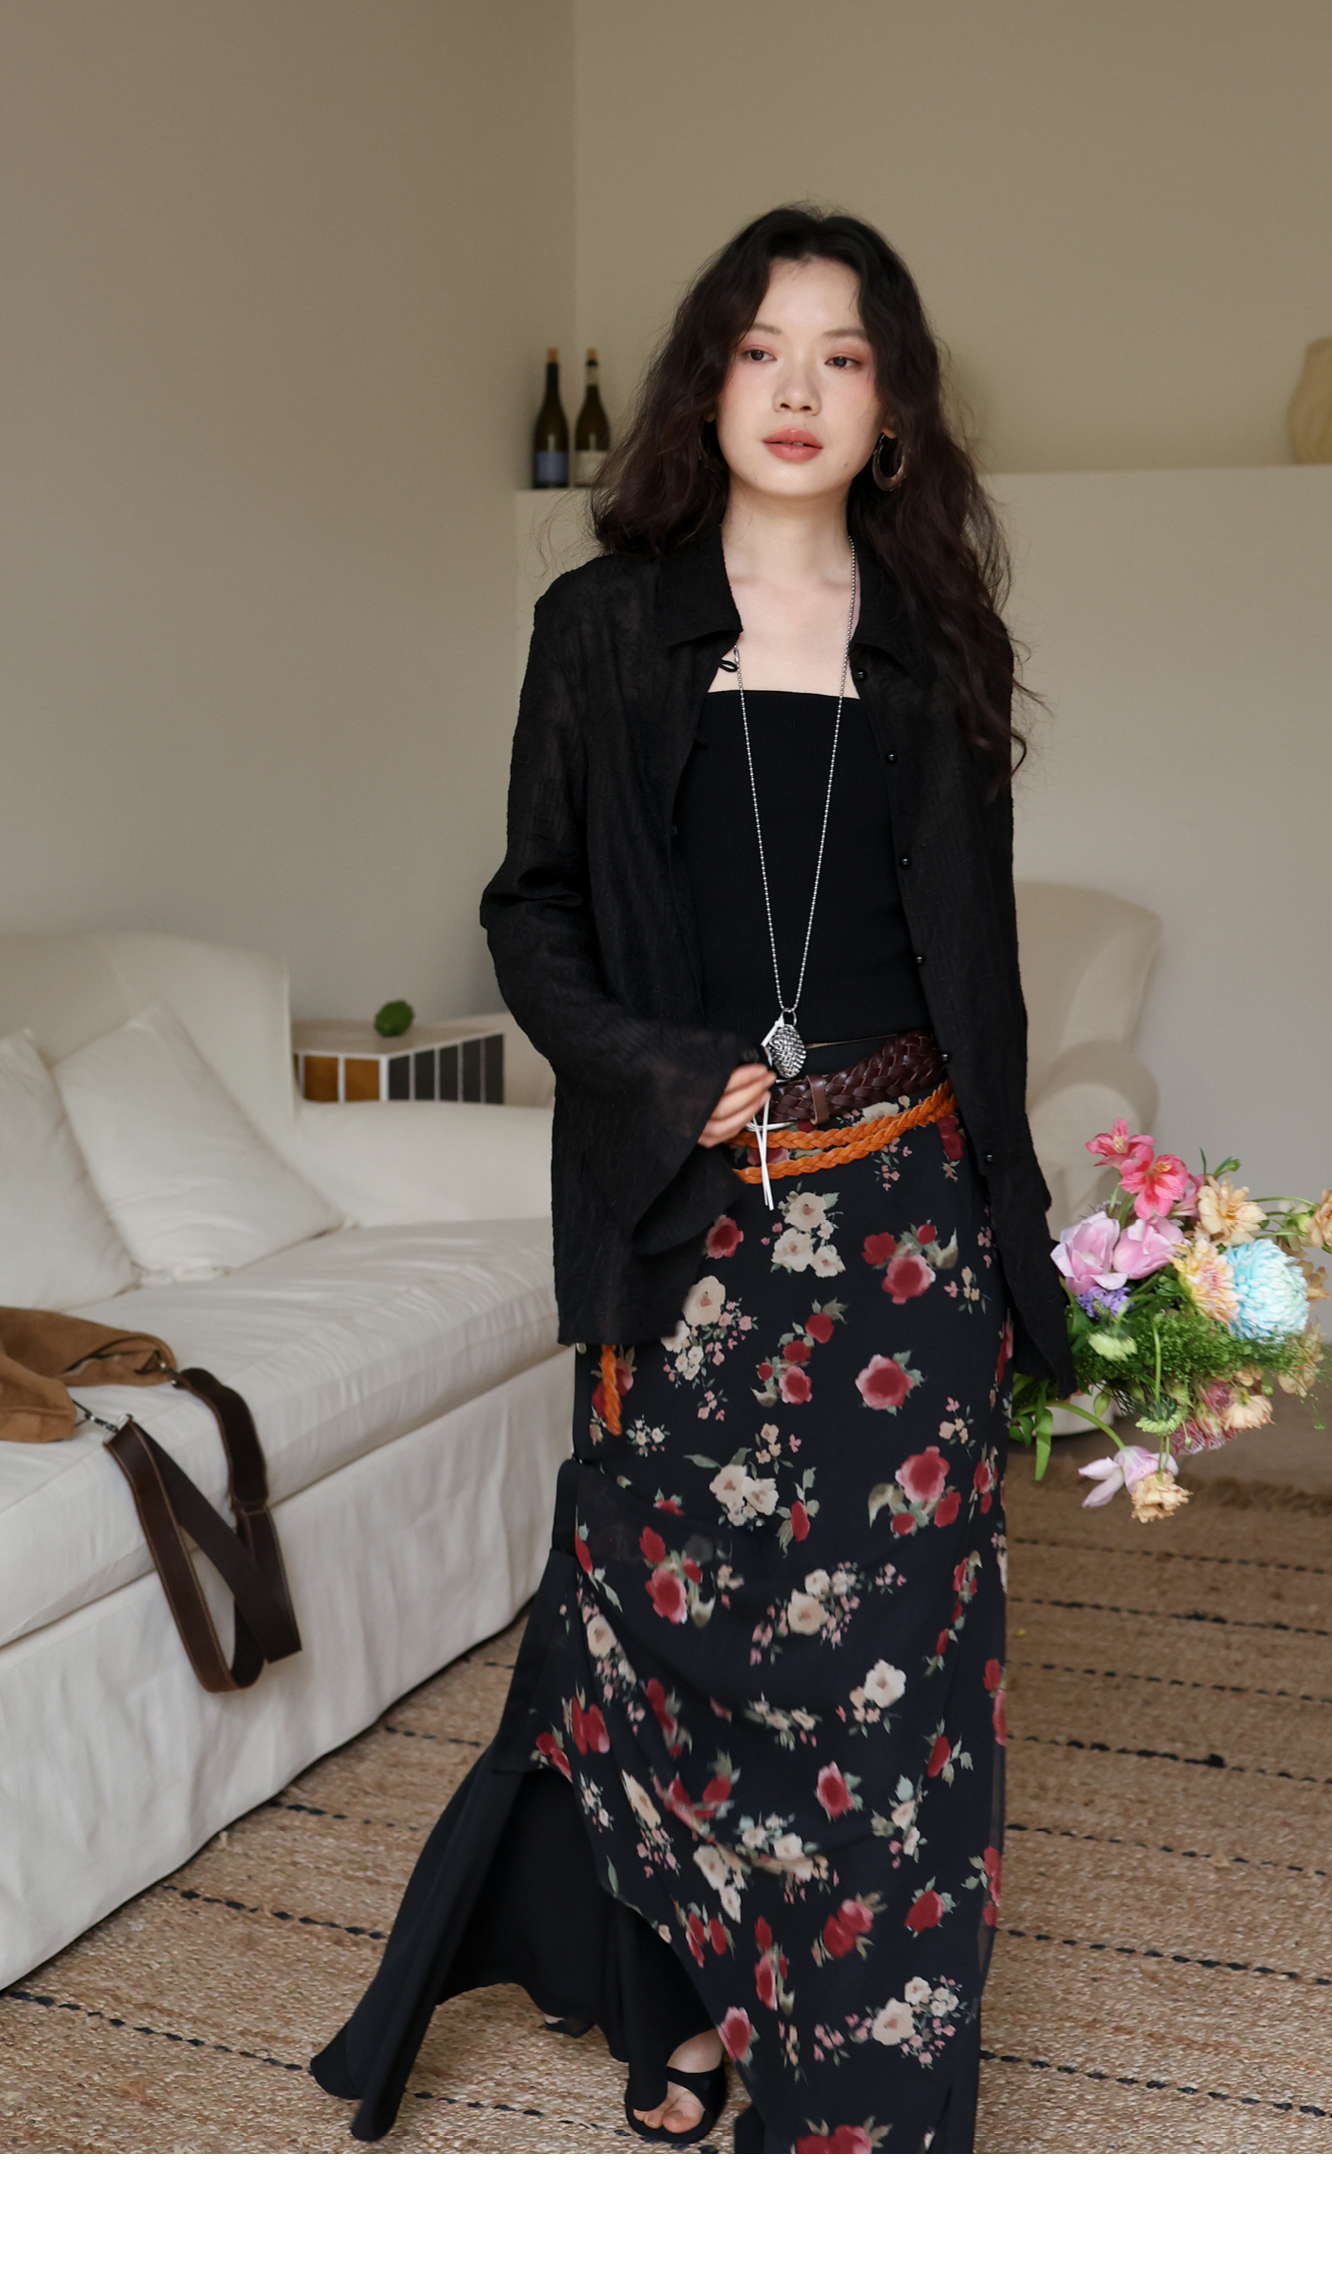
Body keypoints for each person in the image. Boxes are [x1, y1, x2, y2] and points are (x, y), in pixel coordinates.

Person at [311, 205, 1071, 2154]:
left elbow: (979, 974)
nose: (800, 388)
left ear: (893, 407)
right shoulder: (603, 627)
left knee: (897, 1679)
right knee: (685, 1648)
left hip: (904, 1228)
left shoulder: (937, 644)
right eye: (762, 349)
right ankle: (698, 2002)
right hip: (691, 1225)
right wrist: (658, 1068)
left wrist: (1023, 1246)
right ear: (707, 382)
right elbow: (531, 908)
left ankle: (867, 2107)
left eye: (844, 355)